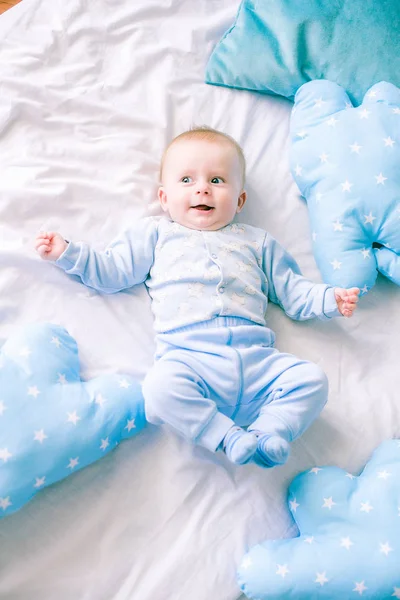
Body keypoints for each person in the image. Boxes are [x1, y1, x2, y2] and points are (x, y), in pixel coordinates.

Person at [35, 127, 359, 468]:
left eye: (217, 180)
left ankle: (269, 432)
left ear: (240, 201)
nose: (203, 187)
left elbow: (291, 290)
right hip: (191, 361)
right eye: (187, 180)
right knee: (158, 390)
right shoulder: (157, 233)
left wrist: (328, 299)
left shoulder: (256, 242)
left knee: (311, 380)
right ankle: (228, 437)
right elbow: (113, 271)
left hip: (258, 361)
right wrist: (68, 253)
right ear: (163, 198)